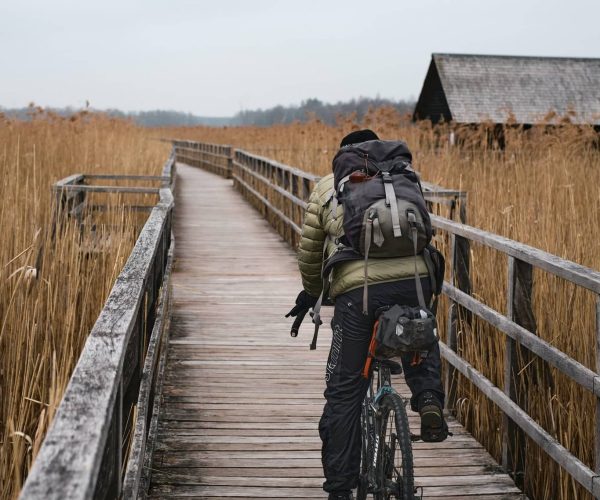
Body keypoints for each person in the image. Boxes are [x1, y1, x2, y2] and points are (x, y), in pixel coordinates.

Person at [287, 129, 447, 500]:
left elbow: (310, 250)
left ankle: (340, 489)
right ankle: (428, 401)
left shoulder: (330, 186)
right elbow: (425, 231)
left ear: (344, 154)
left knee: (344, 392)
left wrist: (312, 292)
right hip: (416, 281)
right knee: (417, 331)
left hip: (359, 294)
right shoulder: (404, 178)